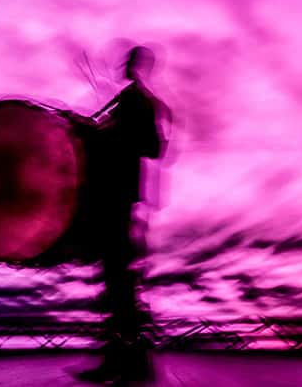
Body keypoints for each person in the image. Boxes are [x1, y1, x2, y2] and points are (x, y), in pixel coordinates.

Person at [77, 45, 169, 384]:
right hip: (118, 197)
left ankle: (125, 361)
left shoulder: (137, 101)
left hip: (117, 197)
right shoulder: (132, 101)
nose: (124, 65)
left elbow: (151, 147)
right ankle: (124, 360)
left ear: (138, 65)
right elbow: (147, 145)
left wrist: (101, 132)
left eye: (129, 61)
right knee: (117, 280)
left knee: (118, 281)